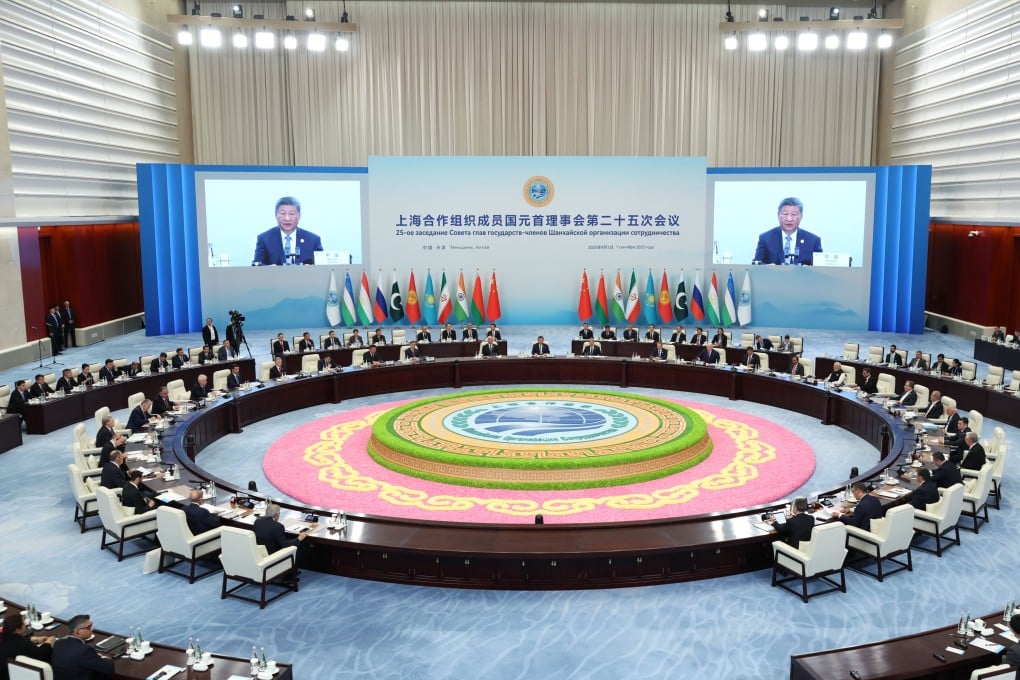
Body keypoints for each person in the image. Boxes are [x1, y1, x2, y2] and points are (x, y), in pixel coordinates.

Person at [252, 196, 323, 266]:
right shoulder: (264, 239)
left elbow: (321, 267)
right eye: (283, 213)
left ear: (299, 216)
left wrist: (310, 268)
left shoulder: (313, 240)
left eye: (292, 214)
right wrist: (269, 269)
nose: (287, 218)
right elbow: (256, 265)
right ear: (276, 215)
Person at [753, 197, 823, 266]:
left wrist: (808, 269)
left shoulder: (813, 241)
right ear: (778, 215)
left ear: (801, 216)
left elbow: (820, 268)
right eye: (785, 214)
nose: (789, 219)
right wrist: (768, 268)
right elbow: (756, 263)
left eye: (794, 214)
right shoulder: (765, 238)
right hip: (774, 277)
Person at [51, 614, 114, 679]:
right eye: (88, 627)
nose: (92, 629)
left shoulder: (58, 643)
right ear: (78, 631)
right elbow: (108, 668)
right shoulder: (85, 651)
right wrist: (105, 657)